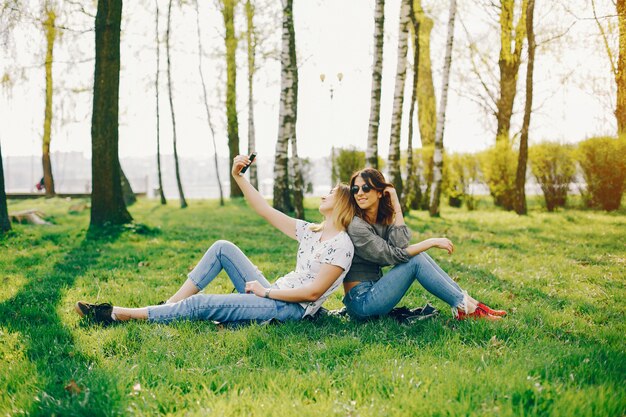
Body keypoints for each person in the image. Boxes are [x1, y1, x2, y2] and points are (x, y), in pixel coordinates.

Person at [75, 154, 355, 326]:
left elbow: (313, 294)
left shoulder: (341, 245)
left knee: (201, 305)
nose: (323, 195)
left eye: (330, 193)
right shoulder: (312, 231)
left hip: (289, 309)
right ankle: (169, 305)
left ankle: (119, 314)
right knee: (223, 248)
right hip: (275, 295)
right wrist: (239, 178)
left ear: (342, 203)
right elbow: (264, 209)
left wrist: (265, 292)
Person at [342, 168, 507, 321]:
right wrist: (431, 242)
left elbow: (400, 244)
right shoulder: (356, 226)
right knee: (416, 259)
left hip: (374, 290)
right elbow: (392, 255)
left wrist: (396, 204)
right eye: (355, 189)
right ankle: (465, 308)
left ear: (379, 192)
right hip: (360, 303)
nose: (359, 194)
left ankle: (472, 305)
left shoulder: (380, 219)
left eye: (365, 188)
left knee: (418, 256)